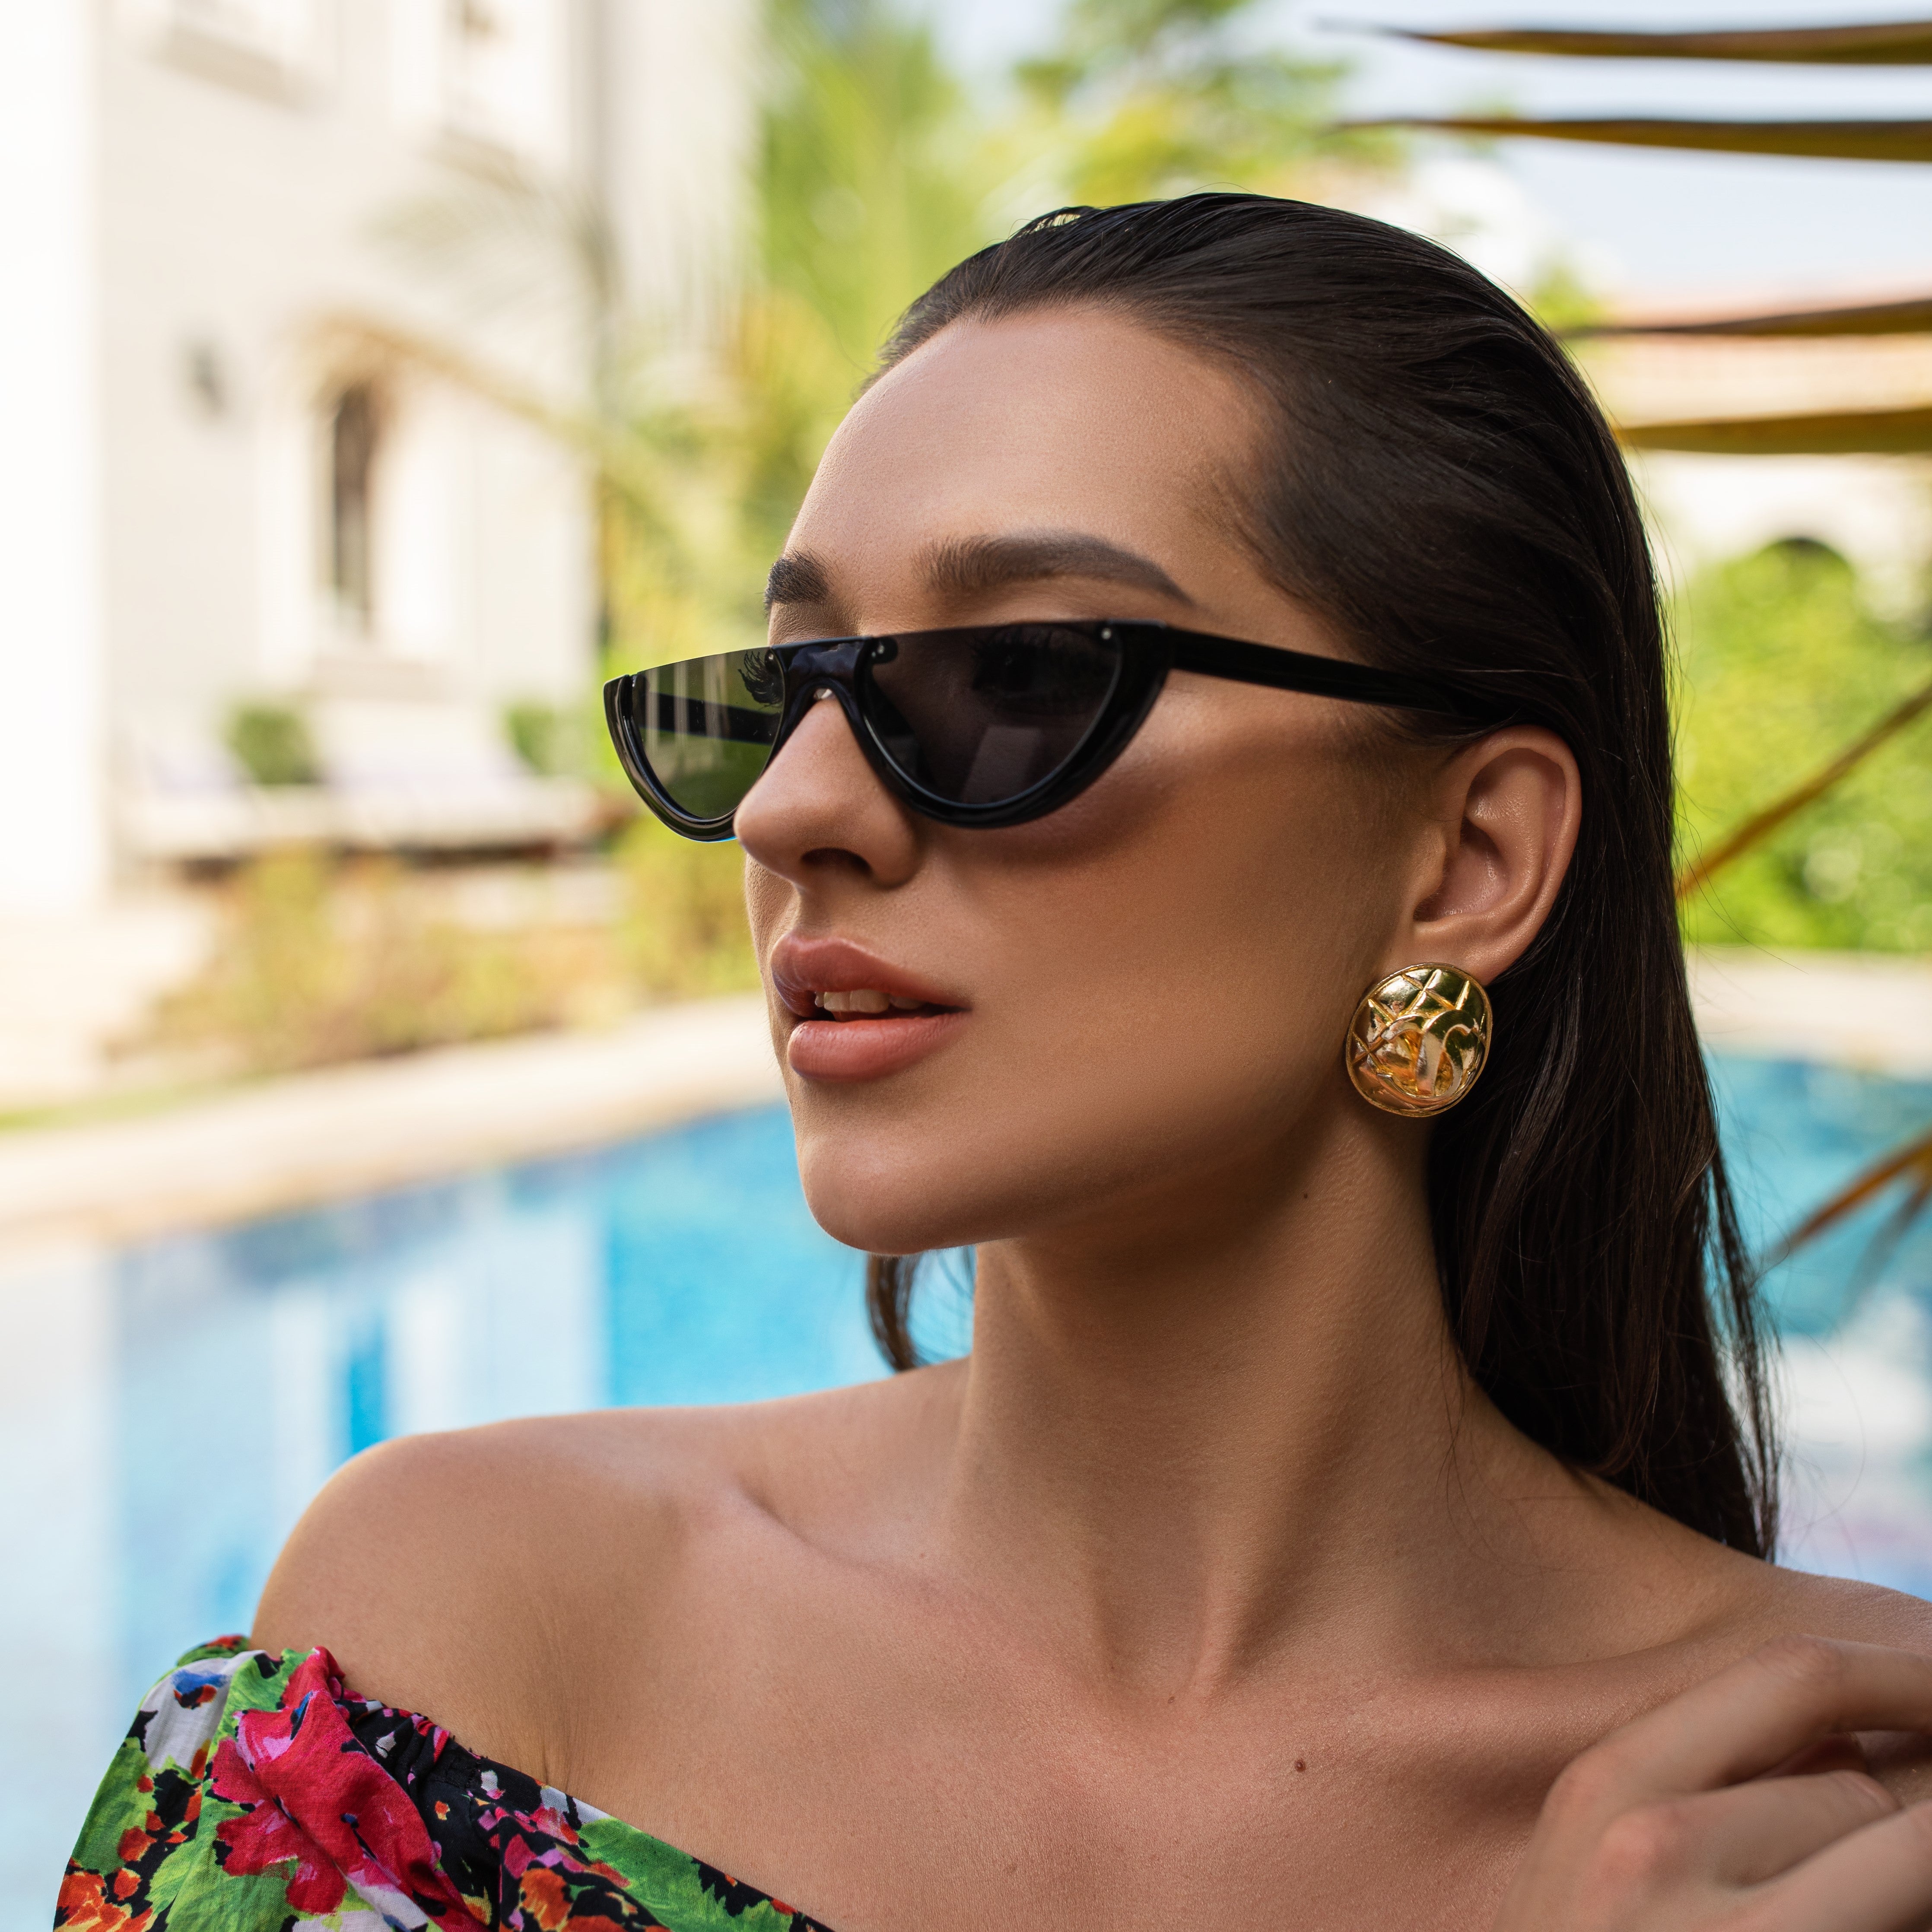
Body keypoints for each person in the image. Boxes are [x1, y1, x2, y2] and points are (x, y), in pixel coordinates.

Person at [61, 194, 1932, 1932]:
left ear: (1464, 862)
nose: (792, 809)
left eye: (1021, 675)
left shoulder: (1840, 1797)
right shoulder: (465, 1634)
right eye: (781, 690)